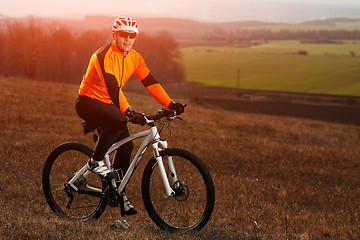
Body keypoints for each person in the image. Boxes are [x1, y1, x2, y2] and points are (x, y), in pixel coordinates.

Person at [75, 16, 185, 215]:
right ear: (114, 35)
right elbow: (113, 88)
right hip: (88, 101)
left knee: (127, 146)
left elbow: (150, 82)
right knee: (118, 119)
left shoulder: (135, 58)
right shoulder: (103, 56)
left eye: (131, 35)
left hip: (109, 104)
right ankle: (95, 162)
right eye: (123, 35)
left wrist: (170, 104)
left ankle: (118, 192)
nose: (127, 39)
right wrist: (129, 112)